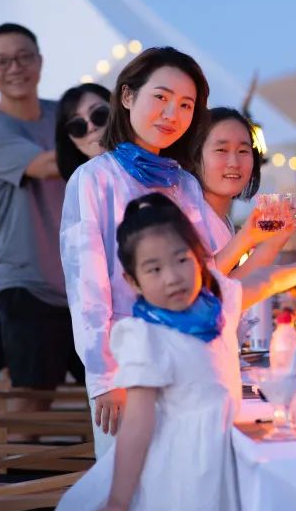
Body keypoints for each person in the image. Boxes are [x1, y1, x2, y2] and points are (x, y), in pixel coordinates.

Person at [46, 193, 296, 511]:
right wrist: (119, 503)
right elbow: (137, 424)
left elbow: (267, 281)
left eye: (181, 259)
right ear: (133, 281)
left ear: (200, 259)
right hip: (179, 470)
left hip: (221, 457)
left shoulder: (215, 305)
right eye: (154, 269)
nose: (172, 277)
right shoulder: (146, 336)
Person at [60, 46, 226, 458]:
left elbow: (213, 266)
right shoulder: (94, 179)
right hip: (127, 365)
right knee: (134, 480)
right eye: (161, 98)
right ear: (128, 96)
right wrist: (103, 378)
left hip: (189, 356)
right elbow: (87, 286)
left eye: (185, 105)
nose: (172, 114)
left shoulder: (183, 183)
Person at [0, 23, 84, 418]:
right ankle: (14, 460)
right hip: (29, 285)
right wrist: (108, 143)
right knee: (33, 399)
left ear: (39, 61)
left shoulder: (64, 115)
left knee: (116, 387)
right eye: (2, 61)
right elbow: (47, 166)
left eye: (23, 57)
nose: (15, 68)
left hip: (85, 285)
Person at [192, 106, 296, 274]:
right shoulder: (188, 219)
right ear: (196, 157)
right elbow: (202, 285)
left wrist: (279, 238)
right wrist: (247, 236)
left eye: (243, 151)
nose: (234, 162)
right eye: (221, 150)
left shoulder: (223, 221)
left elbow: (233, 284)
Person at [55, 83, 111, 181]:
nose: (91, 127)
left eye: (99, 114)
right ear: (70, 140)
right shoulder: (79, 188)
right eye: (77, 126)